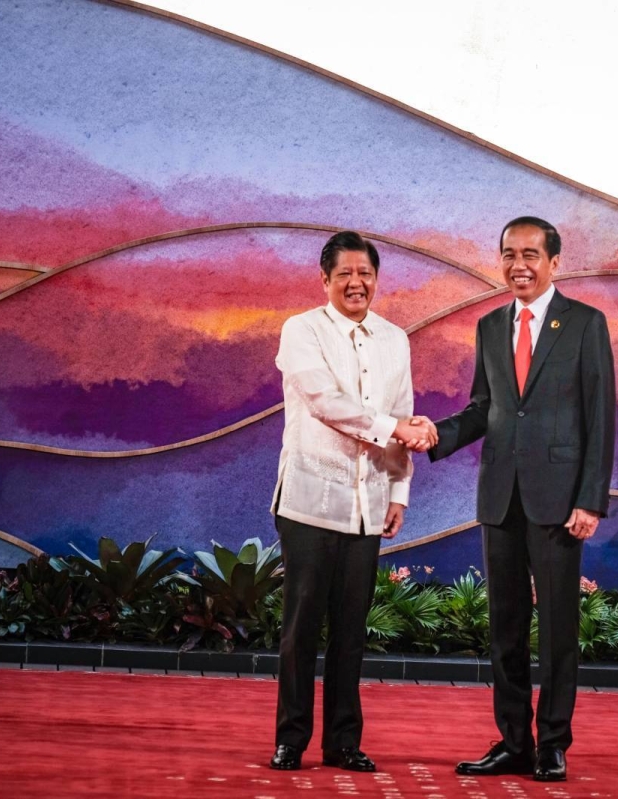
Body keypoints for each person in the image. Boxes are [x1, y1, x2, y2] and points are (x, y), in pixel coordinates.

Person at [416, 216, 615, 782]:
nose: (518, 265)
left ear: (555, 262)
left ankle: (552, 744)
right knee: (505, 629)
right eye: (508, 254)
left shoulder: (585, 324)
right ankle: (512, 743)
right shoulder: (489, 325)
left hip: (559, 503)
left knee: (556, 630)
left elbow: (600, 417)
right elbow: (486, 408)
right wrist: (438, 434)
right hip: (500, 498)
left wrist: (590, 499)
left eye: (530, 254)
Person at [268, 230, 436, 772]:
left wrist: (400, 491)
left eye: (365, 273)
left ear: (376, 279)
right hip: (311, 501)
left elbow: (404, 410)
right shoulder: (302, 330)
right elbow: (324, 401)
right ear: (325, 280)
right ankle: (291, 739)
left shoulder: (395, 339)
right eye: (344, 274)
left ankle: (343, 742)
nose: (356, 283)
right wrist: (394, 427)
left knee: (349, 631)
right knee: (301, 627)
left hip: (369, 504)